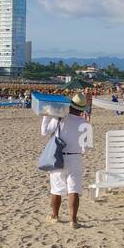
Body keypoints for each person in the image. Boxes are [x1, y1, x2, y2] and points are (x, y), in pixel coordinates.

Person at [41, 93, 93, 229]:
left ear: (70, 105)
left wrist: (47, 115)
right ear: (82, 109)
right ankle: (73, 220)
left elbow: (44, 131)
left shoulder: (60, 118)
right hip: (75, 158)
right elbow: (87, 148)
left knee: (56, 189)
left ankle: (55, 216)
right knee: (74, 190)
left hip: (59, 156)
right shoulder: (85, 123)